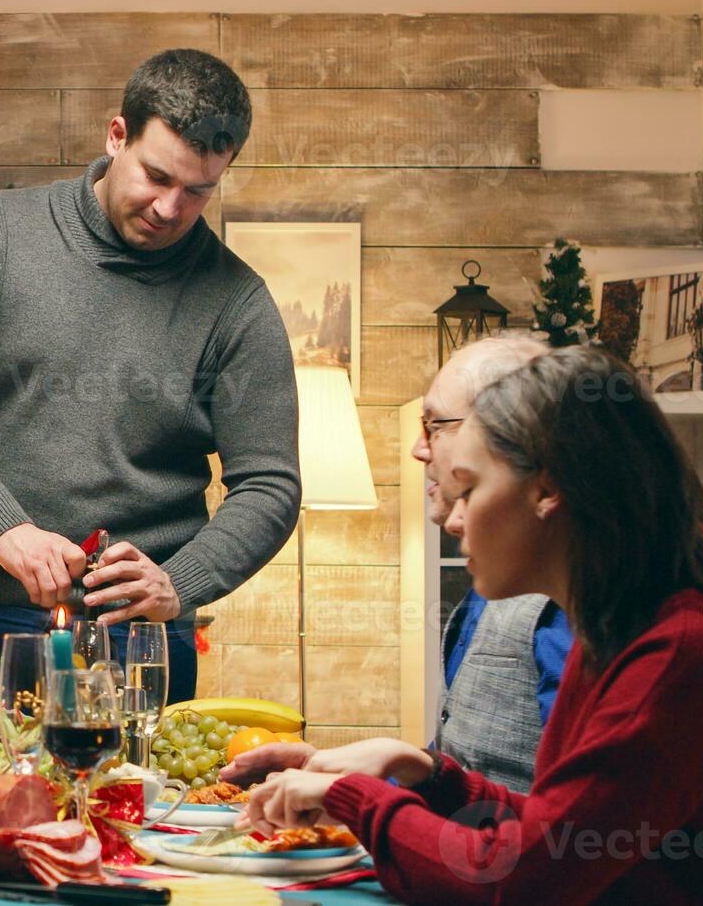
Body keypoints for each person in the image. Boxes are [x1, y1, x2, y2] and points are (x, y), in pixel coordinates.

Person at [238, 346, 703, 903]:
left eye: (470, 488)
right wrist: (426, 770)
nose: (456, 519)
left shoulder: (677, 655)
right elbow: (557, 834)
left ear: (548, 490)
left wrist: (357, 796)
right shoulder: (617, 632)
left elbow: (519, 879)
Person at [0, 48, 300, 722]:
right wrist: (6, 529)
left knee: (129, 829)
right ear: (115, 136)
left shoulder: (237, 303)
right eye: (156, 176)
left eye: (198, 190)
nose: (170, 207)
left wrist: (178, 584)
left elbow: (271, 485)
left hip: (139, 644)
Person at [224, 336, 572, 793]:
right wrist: (335, 770)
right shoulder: (497, 578)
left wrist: (356, 798)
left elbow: (563, 827)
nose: (417, 448)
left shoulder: (566, 606)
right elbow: (459, 774)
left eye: (435, 425)